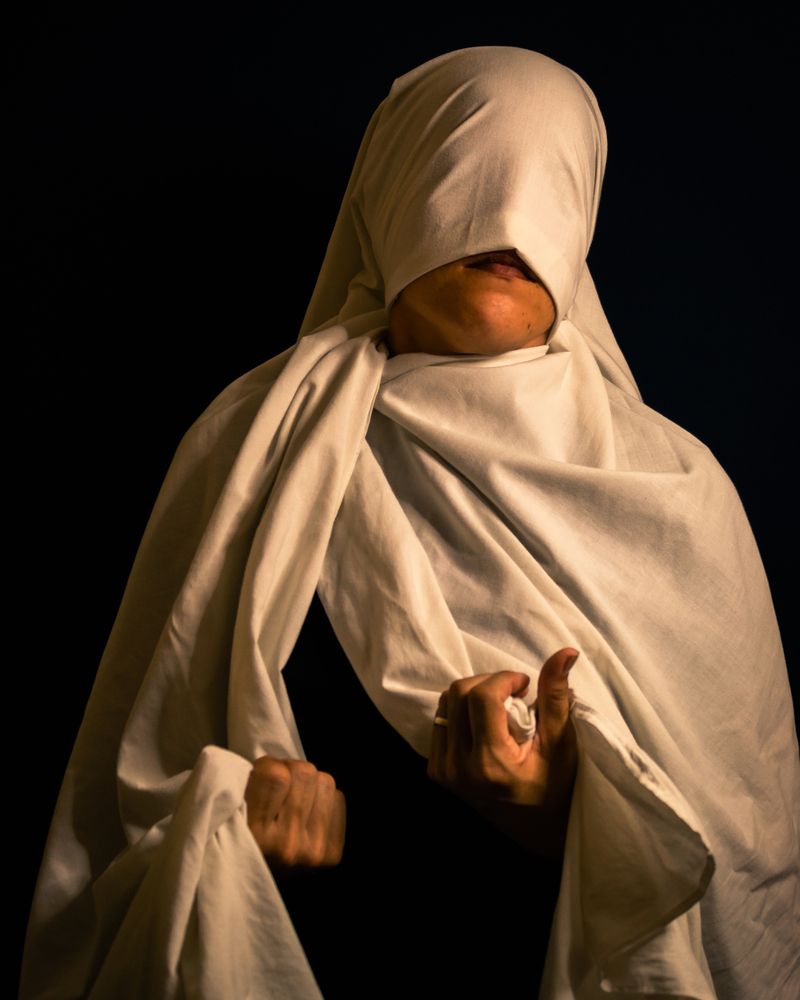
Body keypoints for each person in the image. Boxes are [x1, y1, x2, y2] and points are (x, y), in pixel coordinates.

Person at [19, 45, 799, 1000]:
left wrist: (556, 825)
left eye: (545, 175)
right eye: (466, 164)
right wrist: (233, 830)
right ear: (394, 195)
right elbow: (124, 802)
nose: (508, 211)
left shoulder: (677, 492)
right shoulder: (251, 442)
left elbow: (741, 871)